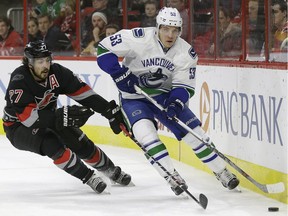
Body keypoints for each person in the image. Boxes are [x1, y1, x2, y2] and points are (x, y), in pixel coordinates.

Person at [97, 7, 240, 196]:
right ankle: (171, 176)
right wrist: (119, 73)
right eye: (165, 29)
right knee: (146, 135)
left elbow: (184, 87)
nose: (170, 34)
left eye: (175, 30)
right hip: (134, 97)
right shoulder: (138, 38)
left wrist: (175, 104)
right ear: (157, 27)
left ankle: (221, 171)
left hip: (165, 97)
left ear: (180, 30)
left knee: (194, 133)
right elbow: (103, 49)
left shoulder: (186, 52)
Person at [2, 40, 132, 194]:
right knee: (51, 143)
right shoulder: (20, 80)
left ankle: (110, 170)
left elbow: (84, 94)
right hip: (18, 128)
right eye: (40, 61)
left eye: (47, 60)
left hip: (48, 118)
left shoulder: (57, 73)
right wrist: (59, 116)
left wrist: (108, 110)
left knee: (79, 142)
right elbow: (28, 118)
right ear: (29, 63)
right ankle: (89, 177)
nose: (45, 65)